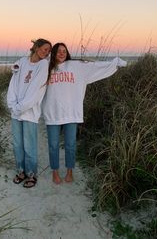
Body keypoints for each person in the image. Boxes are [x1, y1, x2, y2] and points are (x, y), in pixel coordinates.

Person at [42, 42, 127, 184]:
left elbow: (95, 67)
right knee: (53, 145)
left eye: (64, 51)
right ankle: (55, 172)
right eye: (58, 51)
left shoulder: (76, 66)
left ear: (67, 52)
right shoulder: (46, 68)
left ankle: (69, 172)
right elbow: (32, 69)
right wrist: (18, 68)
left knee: (70, 144)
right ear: (53, 54)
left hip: (71, 112)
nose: (61, 53)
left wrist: (114, 63)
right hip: (52, 112)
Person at [6, 38, 52, 188]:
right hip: (16, 112)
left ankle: (31, 174)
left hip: (30, 113)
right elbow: (13, 84)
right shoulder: (22, 61)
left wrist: (20, 108)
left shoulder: (43, 65)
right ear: (36, 47)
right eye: (44, 49)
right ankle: (21, 171)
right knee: (18, 144)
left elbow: (36, 92)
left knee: (29, 145)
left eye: (49, 51)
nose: (46, 53)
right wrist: (12, 105)